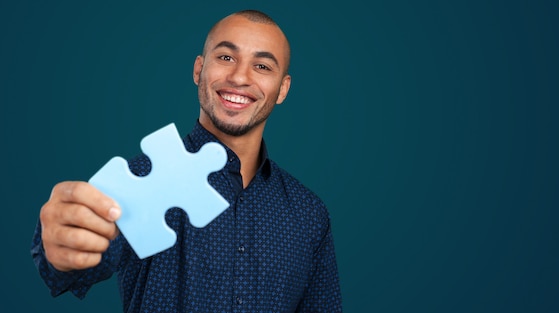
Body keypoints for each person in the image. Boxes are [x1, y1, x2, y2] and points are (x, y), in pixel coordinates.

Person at [31, 9, 342, 312]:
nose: (239, 76)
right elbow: (75, 264)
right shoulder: (138, 179)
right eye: (226, 57)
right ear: (198, 69)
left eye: (262, 66)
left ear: (283, 89)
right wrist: (61, 248)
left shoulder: (309, 213)